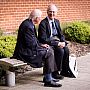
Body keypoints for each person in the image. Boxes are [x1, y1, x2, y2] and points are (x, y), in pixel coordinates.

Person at [12, 9, 62, 87]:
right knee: (49, 52)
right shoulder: (28, 26)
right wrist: (40, 46)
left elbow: (33, 41)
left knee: (50, 49)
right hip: (24, 53)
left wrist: (41, 45)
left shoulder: (29, 23)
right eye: (39, 17)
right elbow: (30, 44)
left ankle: (48, 77)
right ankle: (48, 80)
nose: (40, 19)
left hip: (26, 49)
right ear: (36, 18)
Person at [38, 4, 69, 79]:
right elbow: (43, 38)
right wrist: (57, 43)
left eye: (53, 12)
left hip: (56, 41)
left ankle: (64, 71)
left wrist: (63, 42)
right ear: (47, 12)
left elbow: (61, 34)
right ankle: (55, 72)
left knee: (66, 50)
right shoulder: (43, 23)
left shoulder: (57, 21)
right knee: (60, 51)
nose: (52, 14)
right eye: (50, 12)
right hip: (48, 43)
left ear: (56, 12)